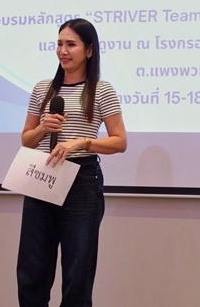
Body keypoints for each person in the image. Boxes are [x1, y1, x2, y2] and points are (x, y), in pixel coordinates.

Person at [17, 18, 127, 306]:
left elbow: (120, 141)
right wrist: (43, 128)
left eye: (71, 45)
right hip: (42, 176)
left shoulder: (101, 90)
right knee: (32, 269)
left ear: (89, 50)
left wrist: (82, 142)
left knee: (77, 273)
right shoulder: (43, 89)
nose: (63, 51)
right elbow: (26, 139)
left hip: (81, 180)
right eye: (59, 44)